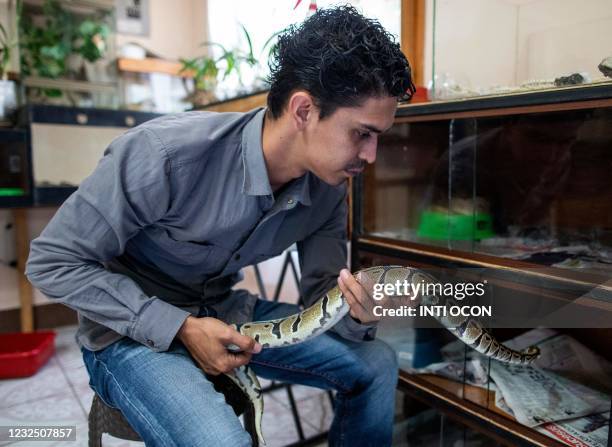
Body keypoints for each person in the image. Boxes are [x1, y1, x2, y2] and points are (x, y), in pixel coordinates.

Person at [26, 5, 415, 446]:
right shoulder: (165, 155)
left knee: (376, 362)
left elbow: (320, 299)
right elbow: (51, 261)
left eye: (379, 137)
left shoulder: (328, 189)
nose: (371, 156)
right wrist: (181, 327)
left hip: (227, 316)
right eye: (362, 133)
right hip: (127, 334)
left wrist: (358, 311)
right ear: (304, 110)